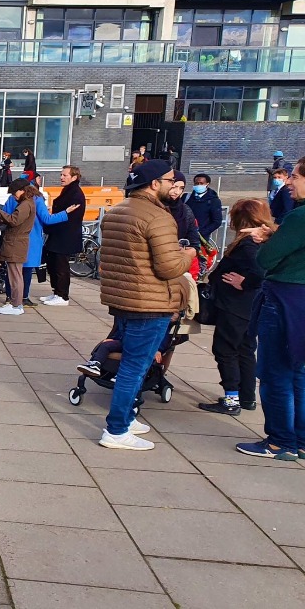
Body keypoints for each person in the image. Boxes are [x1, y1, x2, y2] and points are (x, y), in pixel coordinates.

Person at [236, 155, 305, 461]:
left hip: (285, 299)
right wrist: (277, 235)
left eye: (294, 176)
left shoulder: (303, 216)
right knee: (296, 373)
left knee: (274, 372)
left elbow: (266, 261)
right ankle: (302, 440)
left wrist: (263, 240)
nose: (288, 182)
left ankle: (280, 441)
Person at [96, 160, 193, 451]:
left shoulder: (116, 212)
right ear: (154, 184)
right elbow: (168, 267)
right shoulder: (158, 217)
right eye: (169, 181)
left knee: (131, 364)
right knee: (134, 368)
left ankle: (126, 416)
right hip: (149, 302)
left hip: (124, 300)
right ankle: (116, 430)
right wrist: (187, 254)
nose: (173, 186)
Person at [198, 199, 271, 416]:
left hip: (234, 305)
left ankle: (232, 399)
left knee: (225, 349)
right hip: (248, 306)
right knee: (245, 350)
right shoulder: (261, 240)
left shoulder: (248, 243)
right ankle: (246, 396)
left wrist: (246, 282)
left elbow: (261, 272)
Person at [2, 177, 78, 308]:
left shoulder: (12, 199)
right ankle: (23, 297)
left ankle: (10, 297)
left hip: (13, 239)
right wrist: (65, 213)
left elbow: (5, 217)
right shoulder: (37, 200)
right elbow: (47, 219)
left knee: (12, 270)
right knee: (26, 270)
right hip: (32, 239)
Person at [43, 166, 87, 306]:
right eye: (61, 175)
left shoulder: (75, 193)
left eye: (65, 175)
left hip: (65, 235)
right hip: (58, 233)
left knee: (61, 266)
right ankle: (56, 291)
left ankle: (63, 296)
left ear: (74, 177)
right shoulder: (68, 190)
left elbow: (71, 216)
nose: (62, 177)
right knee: (53, 263)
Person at [0, 180, 38, 316]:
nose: (14, 196)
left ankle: (16, 305)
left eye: (15, 193)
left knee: (15, 276)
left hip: (16, 243)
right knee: (16, 275)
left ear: (22, 190)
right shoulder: (29, 203)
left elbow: (14, 220)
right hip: (19, 242)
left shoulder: (25, 205)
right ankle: (16, 304)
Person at [165, 171, 202, 279]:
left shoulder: (185, 210)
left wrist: (189, 252)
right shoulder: (154, 208)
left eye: (181, 188)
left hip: (179, 265)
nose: (177, 192)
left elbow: (194, 241)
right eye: (174, 187)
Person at [186, 173, 223, 243]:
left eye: (201, 183)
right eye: (196, 183)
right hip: (184, 236)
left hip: (200, 239)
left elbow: (217, 221)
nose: (199, 185)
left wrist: (201, 233)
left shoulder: (214, 201)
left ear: (207, 184)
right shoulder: (187, 198)